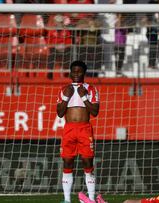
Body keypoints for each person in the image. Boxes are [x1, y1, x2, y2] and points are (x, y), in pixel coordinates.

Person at [56, 60, 105, 203]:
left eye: (79, 71)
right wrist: (66, 97)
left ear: (84, 73)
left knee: (87, 163)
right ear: (70, 73)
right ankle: (66, 200)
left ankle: (90, 199)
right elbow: (59, 113)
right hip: (69, 128)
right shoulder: (64, 89)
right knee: (67, 162)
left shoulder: (91, 89)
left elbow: (95, 112)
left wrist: (84, 97)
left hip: (84, 128)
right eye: (74, 71)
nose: (76, 74)